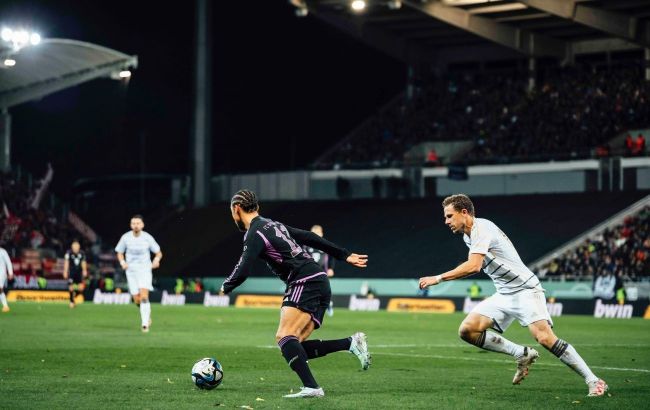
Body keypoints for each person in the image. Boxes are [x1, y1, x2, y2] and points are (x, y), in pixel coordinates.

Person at [419, 194, 608, 397]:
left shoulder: (481, 229)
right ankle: (521, 353)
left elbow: (474, 266)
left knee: (544, 338)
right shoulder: (468, 236)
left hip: (525, 290)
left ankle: (594, 381)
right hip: (504, 293)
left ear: (464, 212)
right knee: (467, 330)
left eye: (449, 216)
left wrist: (438, 278)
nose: (446, 221)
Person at [219, 190, 370, 398]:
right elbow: (310, 237)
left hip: (304, 280)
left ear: (236, 209)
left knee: (284, 336)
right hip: (319, 280)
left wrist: (225, 286)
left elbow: (243, 268)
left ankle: (312, 388)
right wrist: (344, 255)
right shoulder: (273, 224)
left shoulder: (254, 233)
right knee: (293, 345)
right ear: (257, 207)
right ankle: (351, 343)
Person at [115, 215, 162, 333]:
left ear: (142, 225)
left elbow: (158, 253)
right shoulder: (125, 237)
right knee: (136, 299)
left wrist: (156, 261)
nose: (136, 225)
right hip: (131, 271)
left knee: (144, 296)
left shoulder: (147, 238)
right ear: (131, 225)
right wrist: (122, 262)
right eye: (133, 223)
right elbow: (119, 252)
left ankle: (145, 324)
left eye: (138, 223)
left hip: (145, 269)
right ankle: (146, 313)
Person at [303, 225, 336, 316]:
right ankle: (309, 308)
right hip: (310, 273)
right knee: (310, 290)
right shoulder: (306, 246)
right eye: (314, 233)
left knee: (324, 290)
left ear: (321, 234)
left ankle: (328, 304)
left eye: (318, 233)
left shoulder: (325, 245)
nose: (316, 235)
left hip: (323, 272)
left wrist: (331, 268)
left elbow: (332, 257)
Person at [63, 240, 88, 308]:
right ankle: (71, 302)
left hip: (79, 273)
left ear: (79, 247)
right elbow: (66, 262)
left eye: (77, 247)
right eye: (74, 247)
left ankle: (74, 296)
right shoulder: (68, 253)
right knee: (71, 287)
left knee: (81, 288)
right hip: (71, 272)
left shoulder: (82, 253)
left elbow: (83, 262)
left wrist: (84, 270)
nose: (76, 248)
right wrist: (65, 271)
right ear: (72, 247)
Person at [0, 246, 14, 313]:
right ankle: (5, 306)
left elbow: (8, 262)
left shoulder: (3, 251)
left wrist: (10, 273)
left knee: (0, 288)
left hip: (2, 273)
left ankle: (5, 306)